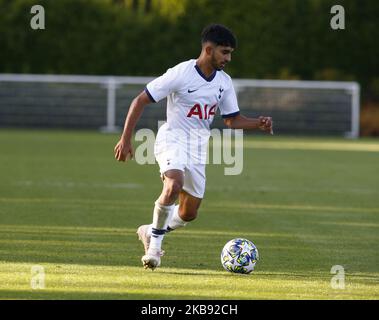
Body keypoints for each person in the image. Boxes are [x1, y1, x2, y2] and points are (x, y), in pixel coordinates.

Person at [114, 24, 273, 270]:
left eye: (230, 53)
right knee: (173, 184)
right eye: (225, 52)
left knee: (189, 213)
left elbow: (232, 120)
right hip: (172, 139)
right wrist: (126, 139)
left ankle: (150, 230)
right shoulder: (181, 73)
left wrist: (257, 123)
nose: (228, 58)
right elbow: (140, 100)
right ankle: (154, 248)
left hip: (198, 147)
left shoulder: (224, 82)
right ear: (208, 49)